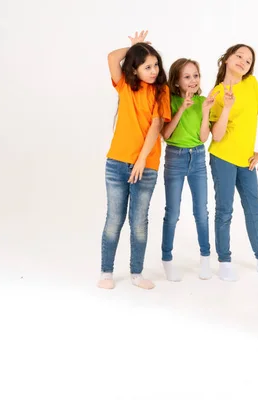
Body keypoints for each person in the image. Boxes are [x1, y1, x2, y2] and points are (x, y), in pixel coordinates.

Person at [207, 44, 258, 282]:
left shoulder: (252, 85)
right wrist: (227, 107)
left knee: (254, 207)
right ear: (226, 59)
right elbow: (218, 135)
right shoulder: (216, 93)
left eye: (248, 60)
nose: (243, 61)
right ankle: (224, 261)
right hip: (222, 157)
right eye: (239, 56)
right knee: (224, 210)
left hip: (246, 159)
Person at [98, 30, 171, 290]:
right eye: (147, 66)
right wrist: (134, 46)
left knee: (138, 221)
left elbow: (156, 125)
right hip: (117, 162)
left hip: (146, 165)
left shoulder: (161, 91)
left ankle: (136, 273)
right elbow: (111, 57)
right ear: (135, 69)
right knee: (114, 219)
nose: (153, 70)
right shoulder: (126, 86)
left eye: (155, 65)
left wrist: (141, 160)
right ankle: (106, 272)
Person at [160, 58, 218, 281]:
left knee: (201, 212)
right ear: (176, 81)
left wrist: (204, 112)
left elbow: (204, 137)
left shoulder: (204, 101)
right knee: (172, 213)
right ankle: (167, 259)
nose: (193, 80)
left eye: (196, 75)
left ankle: (205, 258)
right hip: (175, 158)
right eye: (187, 76)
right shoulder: (171, 101)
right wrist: (182, 109)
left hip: (198, 158)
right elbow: (166, 135)